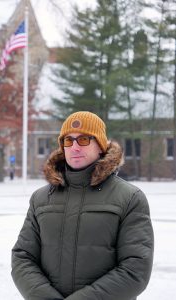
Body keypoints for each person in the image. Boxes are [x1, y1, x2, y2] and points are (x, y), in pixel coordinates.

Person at [11, 111, 154, 300]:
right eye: (68, 141)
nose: (75, 147)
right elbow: (23, 257)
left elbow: (136, 268)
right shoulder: (41, 199)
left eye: (84, 140)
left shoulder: (129, 198)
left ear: (101, 146)